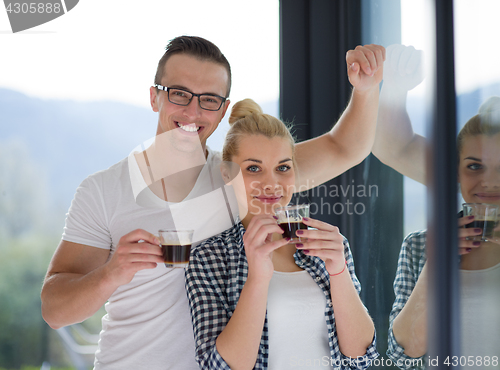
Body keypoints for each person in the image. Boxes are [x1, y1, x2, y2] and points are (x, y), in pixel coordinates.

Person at [40, 35, 385, 369]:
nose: (193, 111)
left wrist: (366, 89)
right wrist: (110, 274)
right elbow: (55, 310)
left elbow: (344, 148)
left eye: (209, 99)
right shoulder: (103, 190)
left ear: (222, 111)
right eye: (179, 94)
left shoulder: (243, 179)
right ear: (154, 97)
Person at [186, 99, 378, 370]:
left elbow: (362, 356)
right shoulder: (210, 257)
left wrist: (339, 271)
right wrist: (258, 278)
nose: (271, 183)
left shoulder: (328, 245)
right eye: (254, 168)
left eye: (283, 168)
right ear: (228, 173)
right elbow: (220, 366)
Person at [372, 44, 500, 369]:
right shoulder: (419, 246)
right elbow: (404, 356)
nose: (489, 182)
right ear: (455, 171)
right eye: (475, 166)